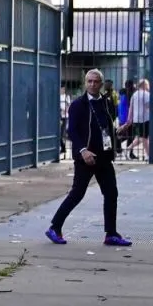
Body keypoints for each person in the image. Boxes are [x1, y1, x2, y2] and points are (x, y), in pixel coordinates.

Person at [47, 69, 131, 248]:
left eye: (96, 81)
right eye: (89, 81)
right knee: (77, 193)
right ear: (86, 83)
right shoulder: (78, 105)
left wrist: (117, 132)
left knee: (111, 193)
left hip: (104, 156)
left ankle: (111, 234)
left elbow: (104, 127)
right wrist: (83, 150)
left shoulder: (106, 102)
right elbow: (72, 131)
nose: (92, 84)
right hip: (86, 157)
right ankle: (55, 227)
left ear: (101, 84)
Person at [126, 78, 151, 161]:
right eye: (147, 84)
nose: (149, 86)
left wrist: (129, 119)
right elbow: (149, 107)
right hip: (145, 119)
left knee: (140, 138)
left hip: (136, 119)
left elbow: (131, 108)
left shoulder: (134, 94)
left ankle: (128, 149)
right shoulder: (146, 94)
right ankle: (148, 156)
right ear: (144, 85)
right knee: (144, 138)